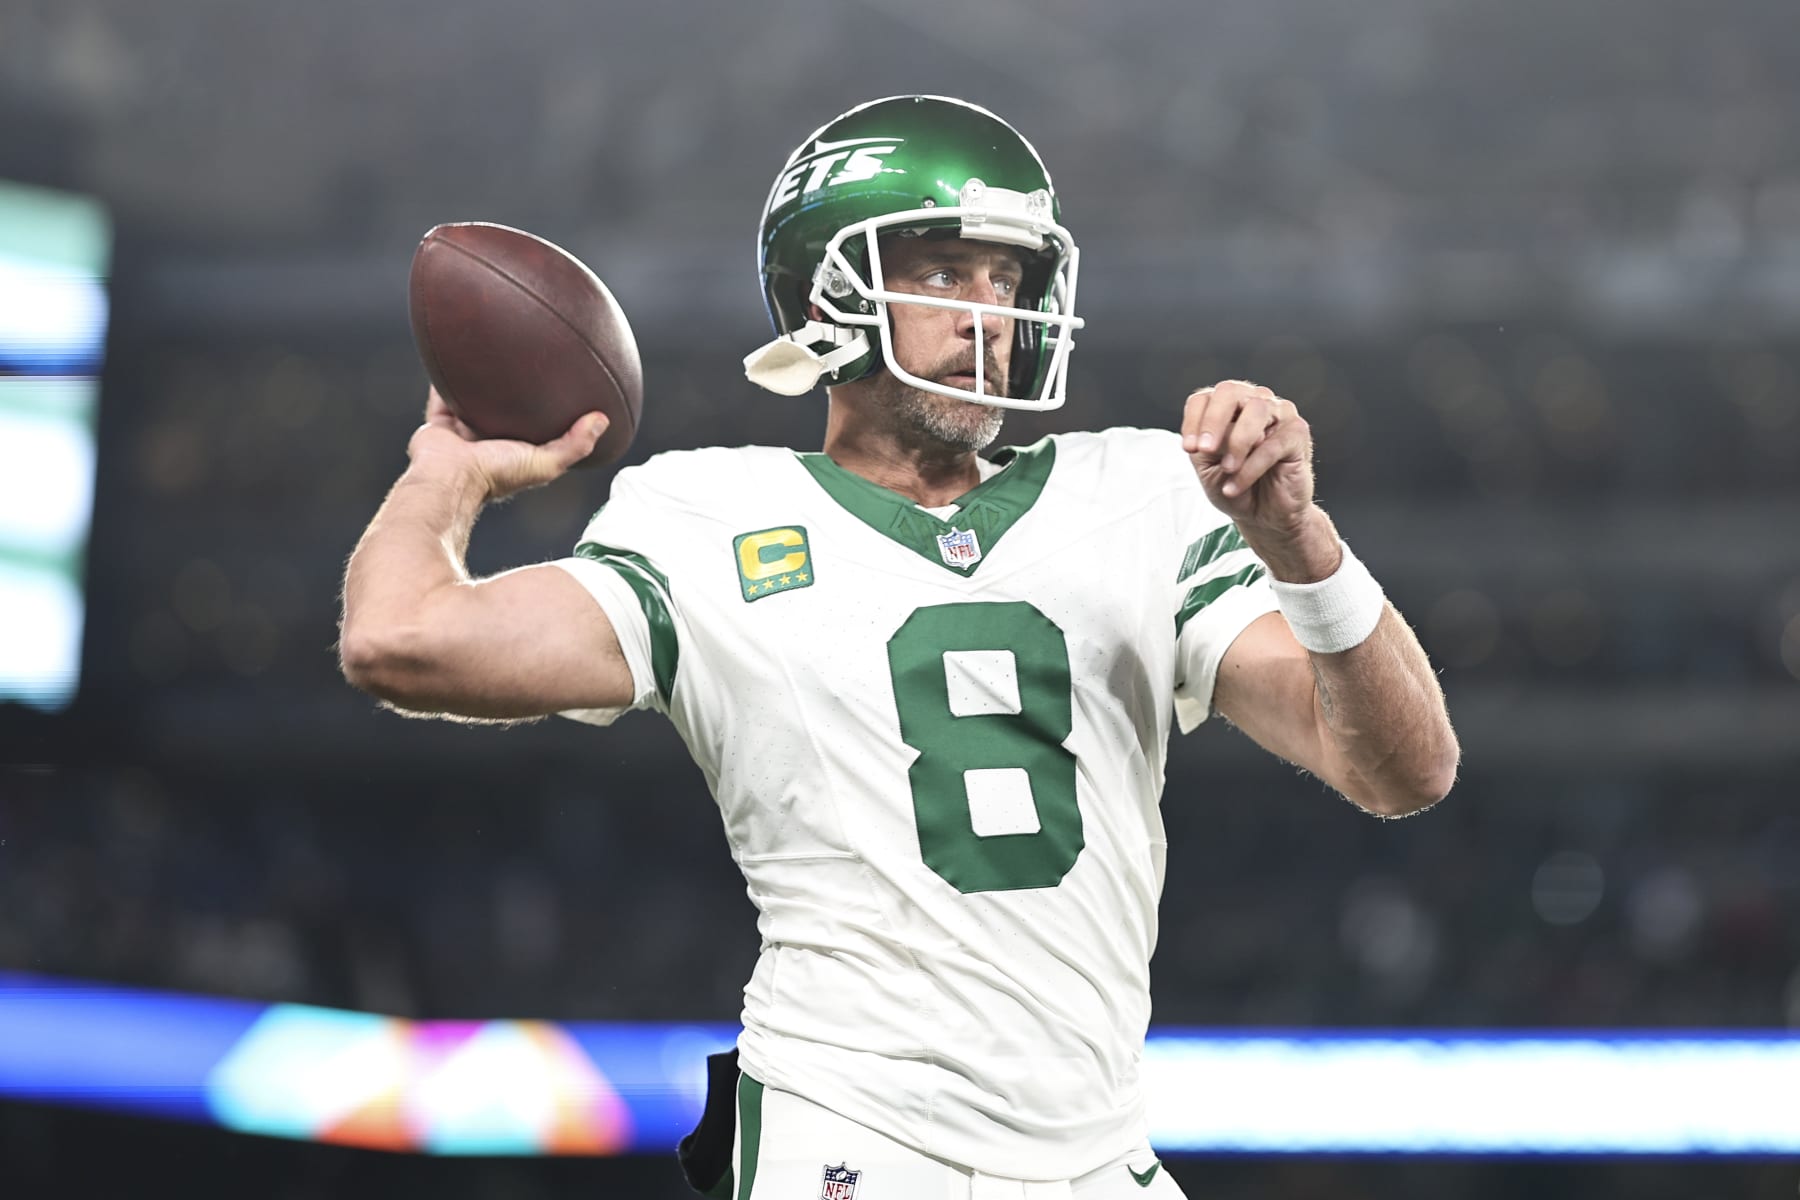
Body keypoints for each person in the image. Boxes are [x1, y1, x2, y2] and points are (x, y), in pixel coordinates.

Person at [339, 95, 1458, 1200]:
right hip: (853, 1135)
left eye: (1008, 280)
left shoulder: (1146, 492)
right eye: (941, 273)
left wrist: (1301, 544)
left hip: (1103, 1149)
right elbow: (399, 640)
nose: (989, 316)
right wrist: (448, 473)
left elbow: (1403, 769)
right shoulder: (704, 514)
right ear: (831, 289)